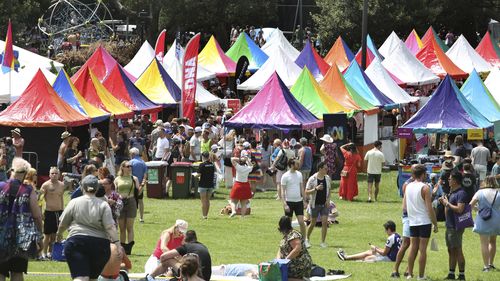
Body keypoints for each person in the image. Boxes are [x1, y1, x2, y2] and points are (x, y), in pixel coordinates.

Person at [56, 175, 121, 281]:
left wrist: (58, 236)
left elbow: (63, 223)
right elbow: (110, 227)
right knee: (92, 278)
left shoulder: (74, 202)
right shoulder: (104, 205)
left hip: (76, 241)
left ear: (82, 187)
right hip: (100, 245)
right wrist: (118, 245)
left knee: (81, 277)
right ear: (97, 188)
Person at [0, 158, 43, 281]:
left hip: (1, 237)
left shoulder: (1, 186)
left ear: (11, 171)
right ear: (25, 174)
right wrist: (39, 236)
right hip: (21, 239)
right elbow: (37, 216)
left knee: (0, 272)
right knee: (17, 272)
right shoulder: (29, 190)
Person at [404, 164, 439, 280]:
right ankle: (421, 276)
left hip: (412, 221)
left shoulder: (407, 186)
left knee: (413, 247)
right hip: (424, 221)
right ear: (423, 174)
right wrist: (435, 223)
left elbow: (404, 206)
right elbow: (429, 208)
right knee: (422, 249)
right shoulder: (425, 187)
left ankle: (409, 273)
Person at [143, 230, 212, 281]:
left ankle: (150, 277)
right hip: (206, 277)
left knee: (168, 260)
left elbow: (163, 256)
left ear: (184, 239)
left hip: (193, 275)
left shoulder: (186, 246)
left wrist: (165, 265)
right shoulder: (202, 246)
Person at [469, 176, 500, 272]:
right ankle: (491, 263)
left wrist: (478, 210)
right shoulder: (499, 192)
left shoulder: (479, 192)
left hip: (483, 219)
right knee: (493, 242)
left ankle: (486, 266)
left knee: (484, 243)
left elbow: (470, 206)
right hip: (496, 220)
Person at [337, 220, 401, 262]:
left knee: (367, 258)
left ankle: (348, 258)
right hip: (393, 257)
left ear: (389, 229)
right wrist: (377, 248)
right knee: (368, 252)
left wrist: (375, 249)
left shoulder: (390, 238)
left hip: (390, 259)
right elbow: (389, 250)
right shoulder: (398, 236)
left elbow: (384, 253)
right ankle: (346, 257)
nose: (385, 232)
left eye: (386, 230)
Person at [391, 174, 415, 278]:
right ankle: (395, 269)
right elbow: (406, 204)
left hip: (414, 217)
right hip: (409, 216)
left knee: (415, 245)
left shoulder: (416, 184)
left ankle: (408, 270)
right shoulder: (408, 184)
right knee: (406, 244)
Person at [114, 161, 141, 255]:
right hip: (120, 203)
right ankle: (122, 248)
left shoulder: (134, 178)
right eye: (128, 166)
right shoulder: (117, 179)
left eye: (131, 166)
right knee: (122, 228)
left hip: (131, 202)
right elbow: (115, 192)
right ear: (122, 168)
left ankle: (129, 248)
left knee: (130, 227)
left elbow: (139, 192)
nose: (130, 168)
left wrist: (142, 187)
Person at [277, 216, 312, 281]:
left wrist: (285, 260)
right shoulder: (286, 236)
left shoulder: (294, 235)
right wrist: (278, 261)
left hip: (299, 263)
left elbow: (297, 249)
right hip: (289, 263)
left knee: (282, 278)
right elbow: (280, 249)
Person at [40, 167, 64, 260]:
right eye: (52, 173)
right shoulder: (45, 185)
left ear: (59, 174)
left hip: (58, 212)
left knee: (55, 234)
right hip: (48, 212)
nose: (54, 175)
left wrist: (63, 211)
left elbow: (61, 198)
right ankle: (44, 252)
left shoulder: (61, 185)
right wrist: (41, 211)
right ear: (49, 174)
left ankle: (51, 252)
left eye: (56, 173)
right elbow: (40, 200)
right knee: (47, 235)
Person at [305, 161, 331, 248]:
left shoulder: (327, 178)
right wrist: (315, 189)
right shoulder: (312, 179)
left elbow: (329, 190)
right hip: (314, 204)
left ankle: (323, 242)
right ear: (320, 169)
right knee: (312, 223)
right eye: (325, 168)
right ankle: (307, 239)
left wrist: (328, 200)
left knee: (324, 222)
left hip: (324, 204)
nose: (327, 170)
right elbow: (306, 192)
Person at [281, 159, 306, 237]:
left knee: (301, 222)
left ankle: (304, 240)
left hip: (299, 201)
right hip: (289, 202)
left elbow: (302, 188)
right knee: (288, 223)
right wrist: (285, 204)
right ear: (292, 165)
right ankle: (287, 239)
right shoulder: (285, 176)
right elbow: (282, 191)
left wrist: (305, 201)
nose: (298, 166)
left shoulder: (299, 174)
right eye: (297, 164)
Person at [129, 148, 147, 223]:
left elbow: (129, 174)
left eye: (130, 154)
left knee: (130, 201)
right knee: (140, 201)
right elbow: (145, 175)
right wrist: (142, 185)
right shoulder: (143, 162)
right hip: (140, 185)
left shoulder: (130, 162)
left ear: (133, 154)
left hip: (131, 185)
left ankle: (130, 217)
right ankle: (141, 218)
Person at [198, 152, 215, 219]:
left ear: (203, 157)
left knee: (203, 201)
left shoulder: (202, 165)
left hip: (203, 184)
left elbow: (199, 174)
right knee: (207, 200)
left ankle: (204, 215)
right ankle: (206, 215)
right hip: (210, 184)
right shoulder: (212, 165)